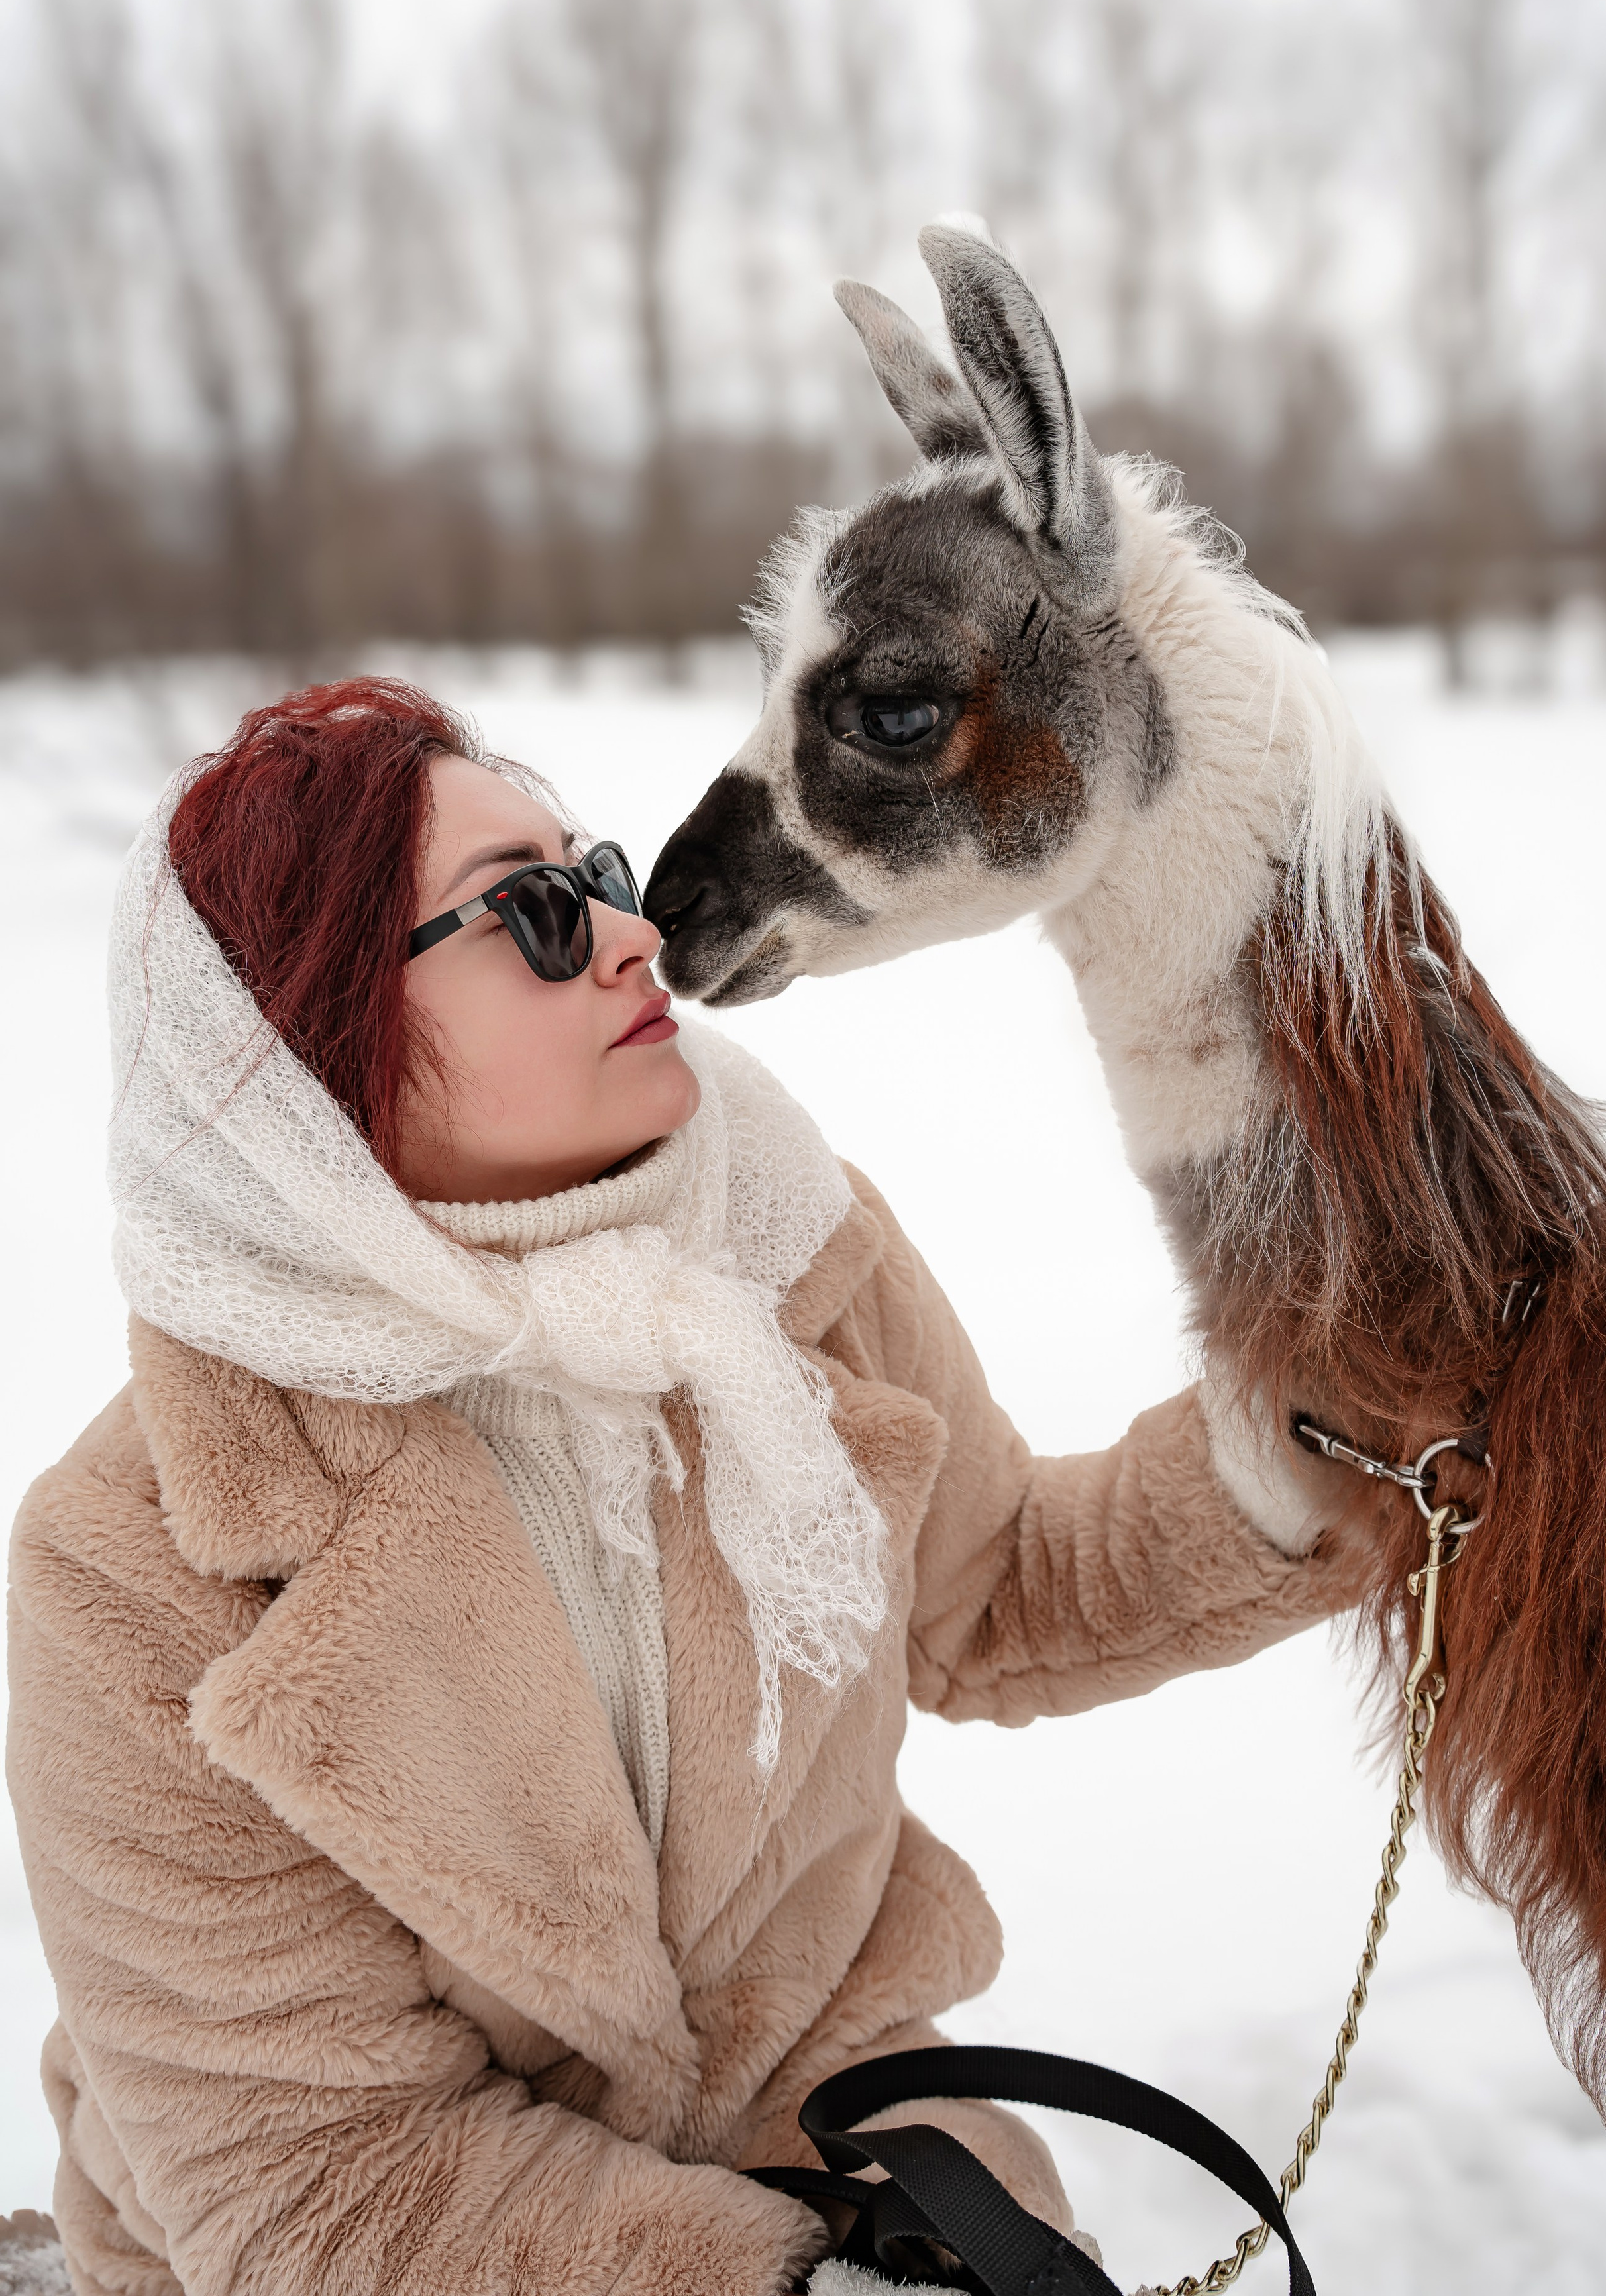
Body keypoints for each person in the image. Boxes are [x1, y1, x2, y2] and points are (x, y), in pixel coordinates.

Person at [7, 679, 1355, 2296]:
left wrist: (1320, 1441)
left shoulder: (786, 1247)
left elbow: (997, 1590)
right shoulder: (137, 1560)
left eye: (604, 880)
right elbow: (319, 2180)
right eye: (534, 914)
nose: (638, 940)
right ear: (304, 1045)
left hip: (854, 2156)